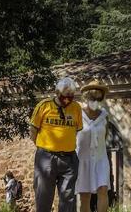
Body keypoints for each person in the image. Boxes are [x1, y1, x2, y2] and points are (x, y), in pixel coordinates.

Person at [30, 76, 83, 212]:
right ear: (57, 93)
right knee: (43, 197)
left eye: (71, 96)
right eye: (65, 96)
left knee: (68, 199)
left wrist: (65, 145)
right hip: (46, 157)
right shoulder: (44, 106)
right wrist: (44, 147)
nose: (68, 99)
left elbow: (75, 131)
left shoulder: (76, 108)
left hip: (69, 159)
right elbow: (33, 131)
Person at [76, 81, 111, 212]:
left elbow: (105, 136)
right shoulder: (78, 115)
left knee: (103, 190)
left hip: (100, 158)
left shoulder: (104, 116)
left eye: (98, 98)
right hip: (82, 160)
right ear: (86, 98)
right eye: (92, 97)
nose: (95, 100)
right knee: (85, 196)